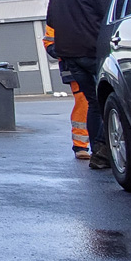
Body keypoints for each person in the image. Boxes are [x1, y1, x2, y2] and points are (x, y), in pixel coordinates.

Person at [45, 0, 113, 169]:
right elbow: (113, 20)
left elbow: (51, 24)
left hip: (70, 58)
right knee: (109, 101)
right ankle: (102, 151)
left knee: (92, 103)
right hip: (95, 54)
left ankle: (96, 152)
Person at [43, 24, 90, 160]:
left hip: (88, 60)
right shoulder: (60, 13)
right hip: (74, 63)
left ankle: (101, 145)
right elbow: (50, 44)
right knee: (84, 102)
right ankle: (81, 145)